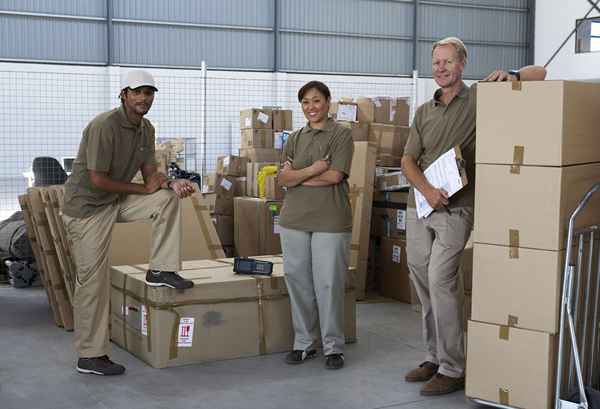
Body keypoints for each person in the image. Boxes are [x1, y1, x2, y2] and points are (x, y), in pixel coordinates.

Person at [401, 37, 546, 395]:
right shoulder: (423, 112)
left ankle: (453, 367)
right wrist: (427, 192)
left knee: (440, 279)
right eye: (436, 62)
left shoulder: (481, 96)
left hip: (457, 206)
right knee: (421, 278)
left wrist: (510, 74)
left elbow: (540, 73)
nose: (440, 68)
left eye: (447, 62)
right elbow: (407, 161)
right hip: (420, 204)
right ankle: (434, 357)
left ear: (462, 64)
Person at [61, 69, 196, 376]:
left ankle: (161, 269)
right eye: (137, 92)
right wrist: (143, 189)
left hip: (115, 200)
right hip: (87, 209)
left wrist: (169, 183)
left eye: (149, 93)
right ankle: (90, 355)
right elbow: (97, 180)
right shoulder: (103, 126)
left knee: (165, 200)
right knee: (93, 283)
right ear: (124, 94)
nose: (143, 98)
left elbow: (150, 176)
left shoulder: (146, 128)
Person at [278, 81, 354, 370]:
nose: (311, 107)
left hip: (330, 220)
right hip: (294, 219)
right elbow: (282, 179)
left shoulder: (341, 136)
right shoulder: (295, 138)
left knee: (329, 283)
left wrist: (297, 177)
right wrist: (314, 169)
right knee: (298, 282)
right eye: (305, 102)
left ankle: (333, 346)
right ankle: (304, 344)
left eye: (316, 101)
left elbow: (335, 176)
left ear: (328, 102)